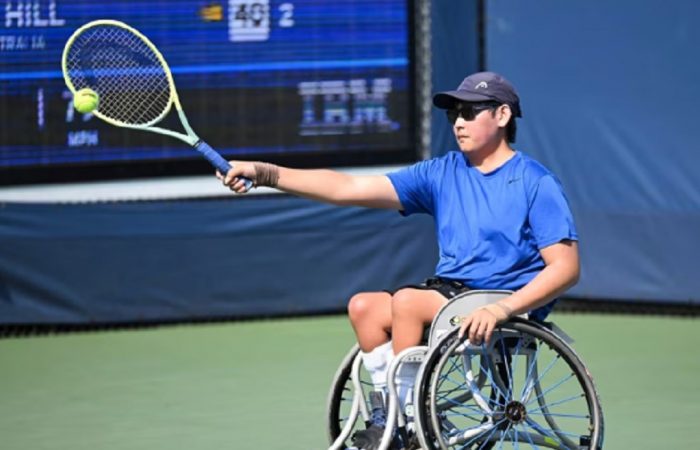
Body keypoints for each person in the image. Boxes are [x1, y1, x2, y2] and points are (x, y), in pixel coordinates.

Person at [219, 71, 580, 450]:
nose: (459, 121)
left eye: (471, 111)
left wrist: (503, 309)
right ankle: (387, 413)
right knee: (365, 308)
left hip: (501, 301)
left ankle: (405, 421)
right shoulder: (442, 173)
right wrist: (266, 173)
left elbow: (566, 268)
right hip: (453, 297)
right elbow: (348, 188)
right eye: (454, 113)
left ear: (503, 115)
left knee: (408, 301)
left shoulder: (536, 183)